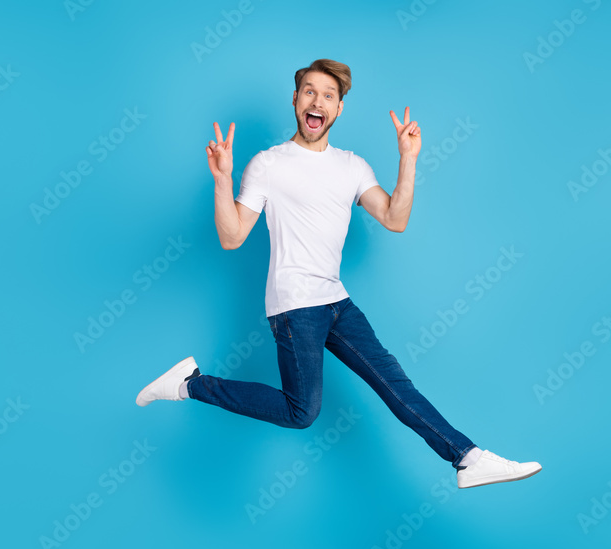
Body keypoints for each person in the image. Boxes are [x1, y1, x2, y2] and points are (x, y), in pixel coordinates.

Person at [135, 59, 540, 488]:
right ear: (295, 100)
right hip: (295, 307)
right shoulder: (268, 164)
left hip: (335, 302)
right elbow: (232, 236)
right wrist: (222, 179)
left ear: (339, 109)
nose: (318, 101)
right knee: (302, 413)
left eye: (328, 95)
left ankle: (468, 457)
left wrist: (408, 160)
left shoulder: (352, 166)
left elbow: (394, 218)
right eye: (309, 91)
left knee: (394, 384)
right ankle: (190, 385)